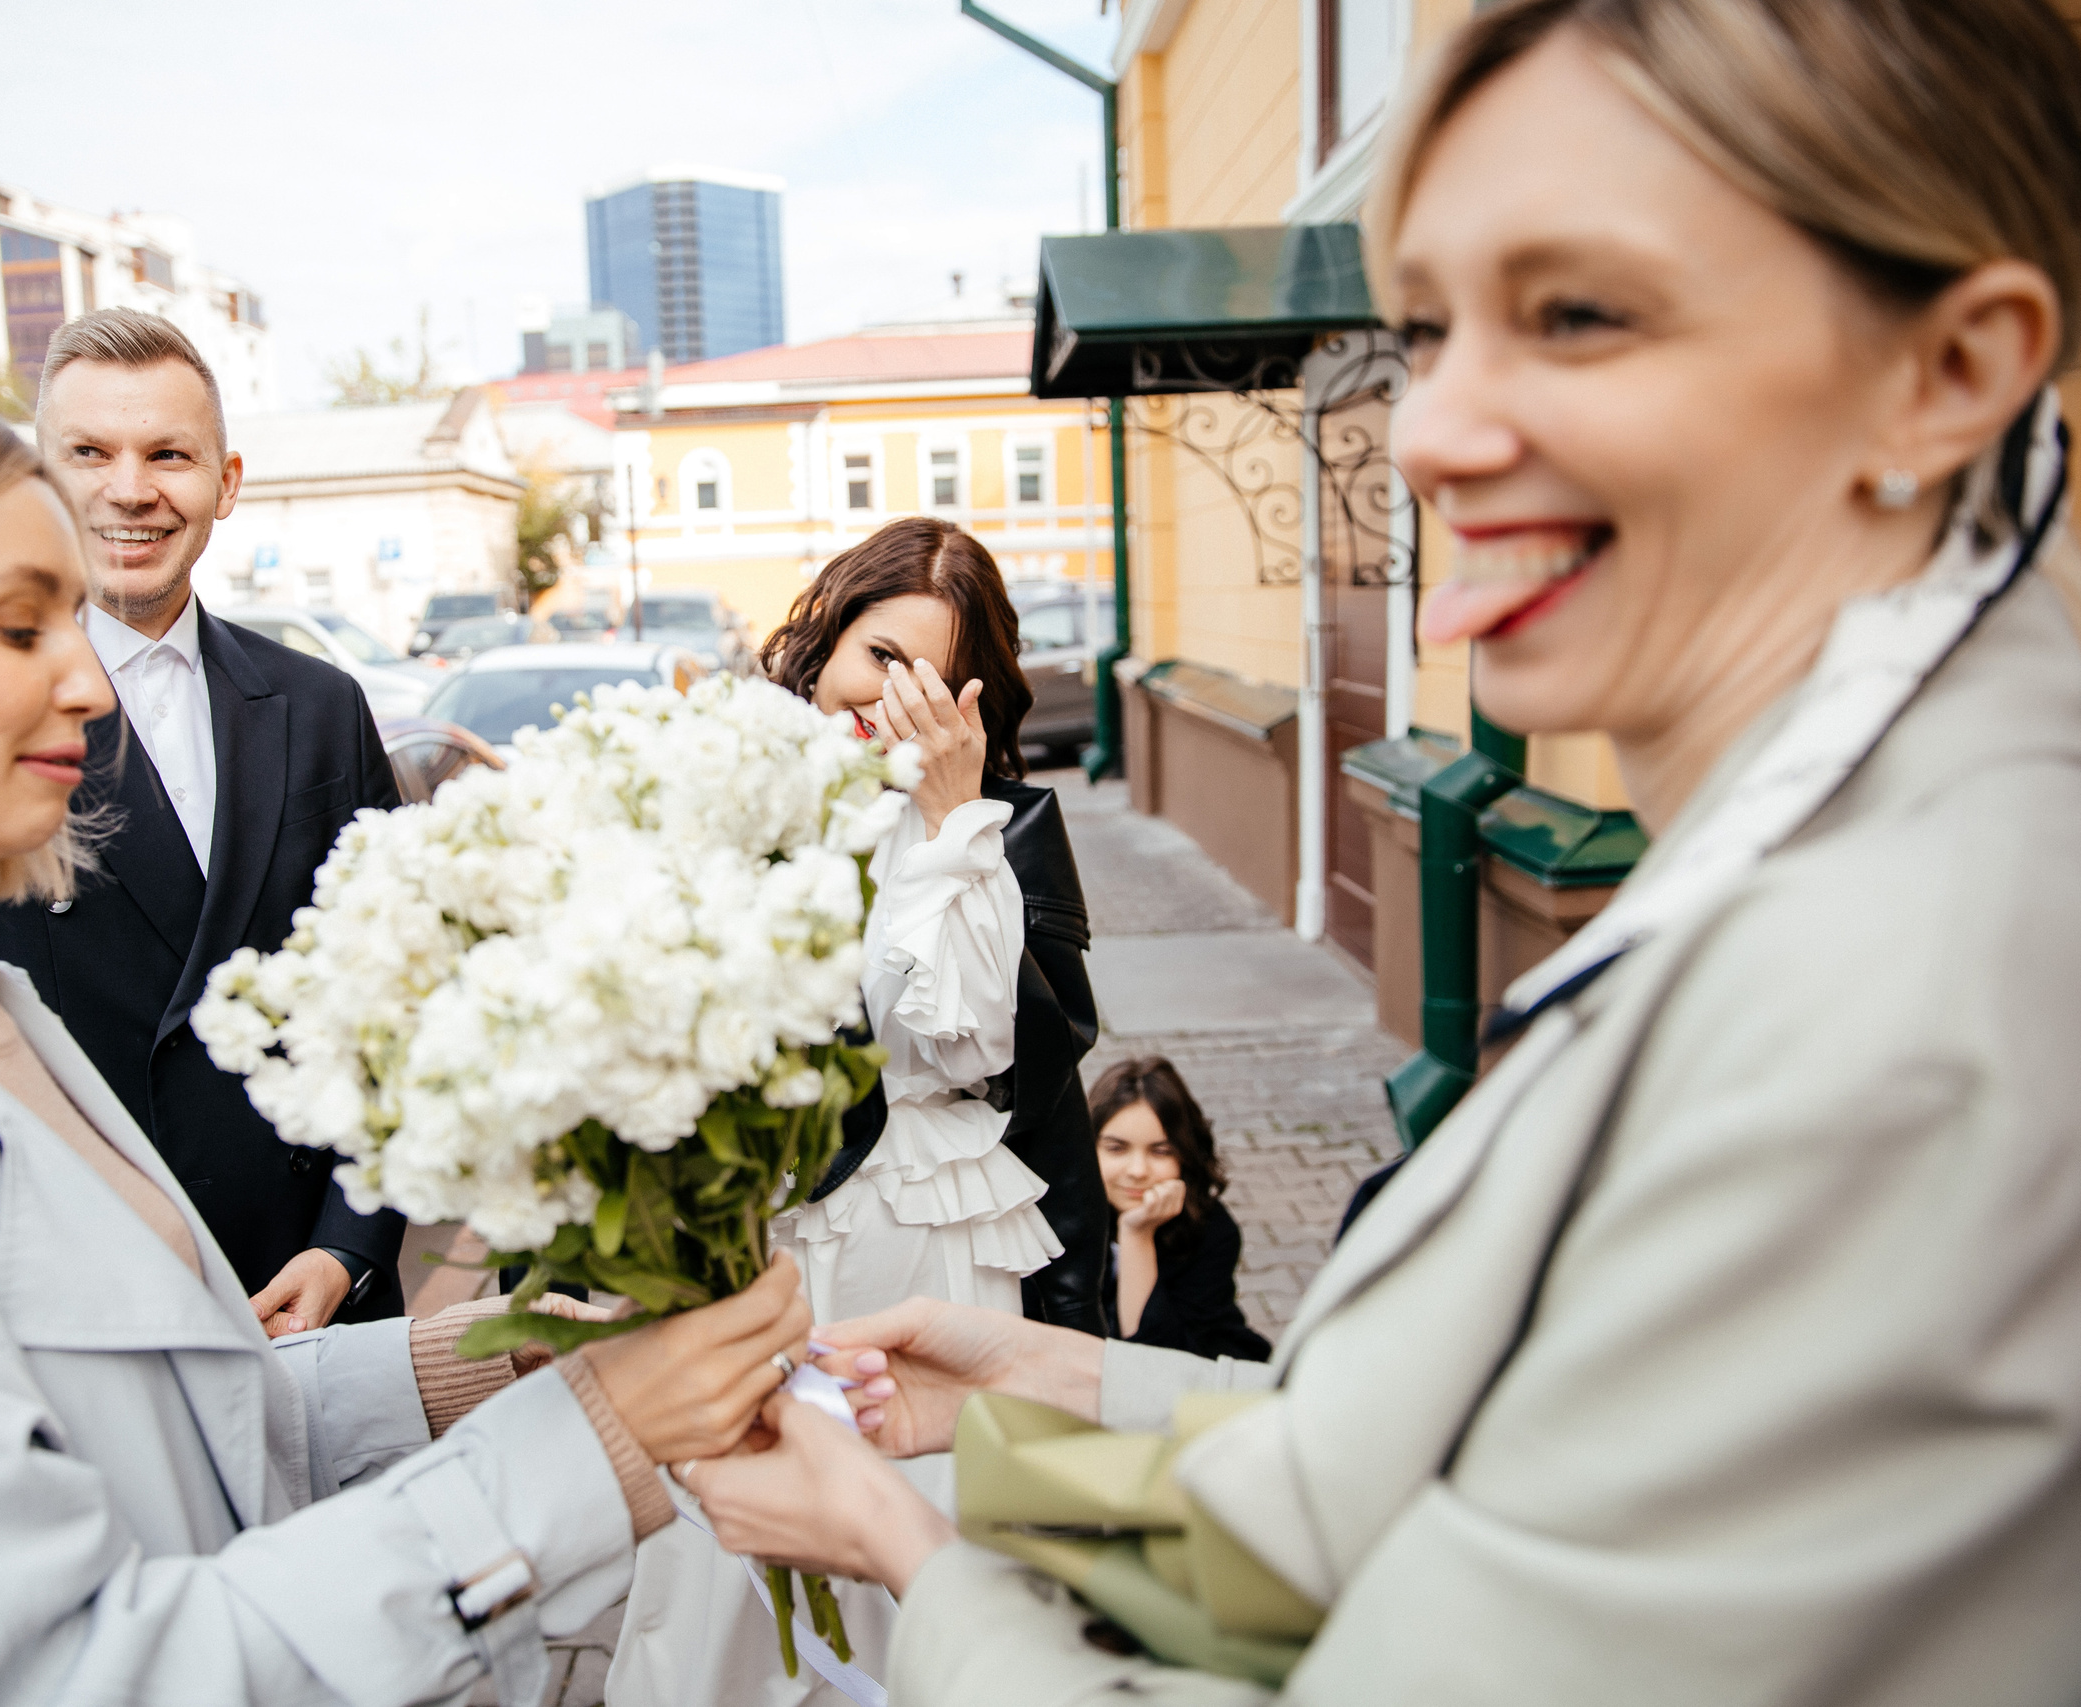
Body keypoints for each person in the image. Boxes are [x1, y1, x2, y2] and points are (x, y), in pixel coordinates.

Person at [680, 0, 2081, 1699]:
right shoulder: (1845, 840)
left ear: (1950, 372)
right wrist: (1055, 1392)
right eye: (1429, 331)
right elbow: (1489, 1472)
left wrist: (906, 1547)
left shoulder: (1904, 993)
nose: (1430, 431)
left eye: (1577, 314)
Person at [0, 371, 817, 1705]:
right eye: (20, 626)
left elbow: (161, 1426)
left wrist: (485, 1360)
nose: (91, 680)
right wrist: (585, 1448)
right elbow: (53, 1671)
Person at [609, 517, 1105, 1706]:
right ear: (824, 640)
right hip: (754, 1226)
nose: (889, 697)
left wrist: (947, 824)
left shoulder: (986, 838)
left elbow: (969, 1037)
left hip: (923, 1239)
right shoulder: (730, 783)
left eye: (929, 675)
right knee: (728, 1530)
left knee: (904, 1527)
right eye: (876, 655)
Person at [0, 309, 406, 1338]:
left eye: (168, 453)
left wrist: (348, 1241)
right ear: (40, 476)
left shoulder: (320, 705)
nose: (131, 489)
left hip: (315, 1286)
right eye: (90, 453)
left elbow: (398, 996)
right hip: (92, 1298)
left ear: (226, 481)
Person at [1089, 1057, 1272, 1363]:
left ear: (1185, 1156)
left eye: (1161, 1151)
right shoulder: (1055, 1219)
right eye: (1116, 1148)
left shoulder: (1211, 1230)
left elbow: (1156, 1360)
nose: (1137, 1170)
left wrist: (1137, 1235)